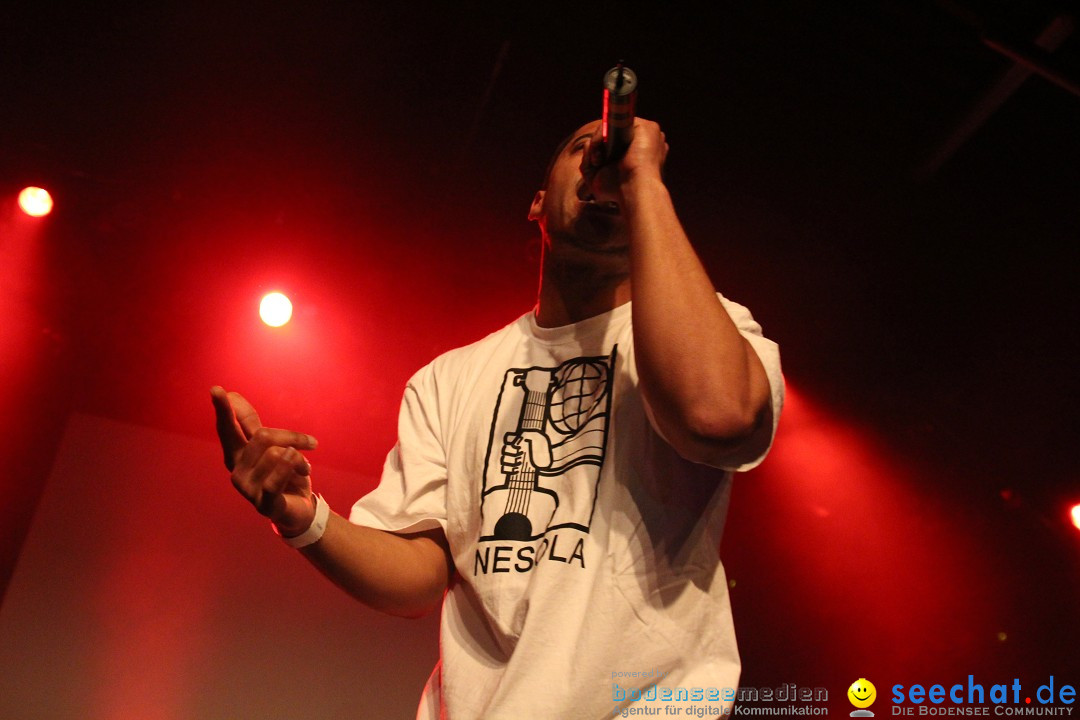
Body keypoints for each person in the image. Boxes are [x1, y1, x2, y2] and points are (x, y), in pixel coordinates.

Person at [211, 116, 784, 719]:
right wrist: (304, 517)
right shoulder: (449, 378)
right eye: (584, 150)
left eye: (618, 157)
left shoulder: (711, 332)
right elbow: (420, 576)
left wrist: (642, 178)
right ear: (537, 203)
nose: (603, 164)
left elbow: (717, 416)